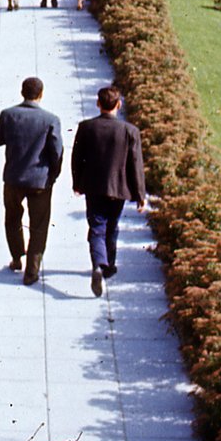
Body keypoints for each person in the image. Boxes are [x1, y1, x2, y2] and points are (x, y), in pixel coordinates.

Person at [71, 85, 148, 298]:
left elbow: (76, 158)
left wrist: (77, 183)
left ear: (98, 104)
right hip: (119, 189)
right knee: (112, 226)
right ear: (119, 105)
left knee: (97, 227)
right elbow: (136, 164)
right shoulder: (130, 131)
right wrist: (140, 195)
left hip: (93, 187)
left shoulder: (86, 127)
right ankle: (108, 265)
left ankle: (98, 263)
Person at [0, 76, 63, 285]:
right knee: (39, 225)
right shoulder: (51, 120)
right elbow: (56, 152)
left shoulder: (8, 114)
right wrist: (53, 175)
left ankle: (16, 257)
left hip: (13, 178)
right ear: (41, 94)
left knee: (12, 218)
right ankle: (32, 270)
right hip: (40, 181)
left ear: (22, 92)